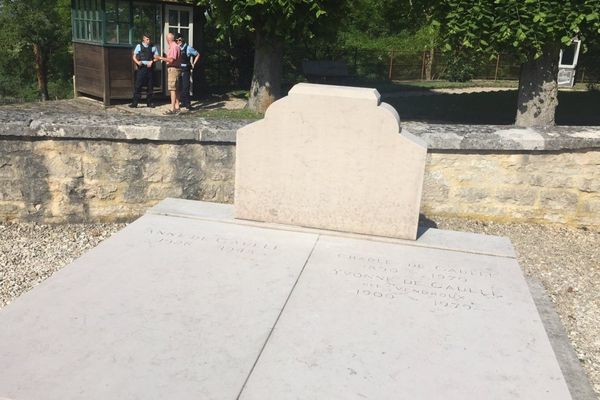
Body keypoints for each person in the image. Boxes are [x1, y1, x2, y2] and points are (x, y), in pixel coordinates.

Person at [129, 34, 159, 108]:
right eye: (147, 39)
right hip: (142, 68)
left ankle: (150, 102)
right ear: (144, 39)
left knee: (150, 86)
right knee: (138, 85)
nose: (149, 41)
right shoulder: (139, 46)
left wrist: (152, 61)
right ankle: (135, 103)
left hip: (150, 68)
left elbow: (157, 57)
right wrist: (137, 62)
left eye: (149, 39)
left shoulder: (153, 47)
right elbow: (134, 56)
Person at [156, 32, 181, 115]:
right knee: (175, 88)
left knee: (172, 89)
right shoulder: (174, 46)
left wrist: (160, 58)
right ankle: (177, 106)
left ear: (168, 40)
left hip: (173, 69)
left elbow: (171, 60)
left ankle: (172, 108)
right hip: (175, 69)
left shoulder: (173, 47)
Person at [175, 33, 200, 110]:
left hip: (186, 69)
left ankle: (187, 103)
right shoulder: (176, 48)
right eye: (177, 40)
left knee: (186, 86)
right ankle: (182, 101)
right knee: (179, 86)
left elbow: (197, 54)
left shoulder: (188, 48)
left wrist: (193, 63)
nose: (179, 41)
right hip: (178, 69)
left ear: (182, 39)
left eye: (180, 40)